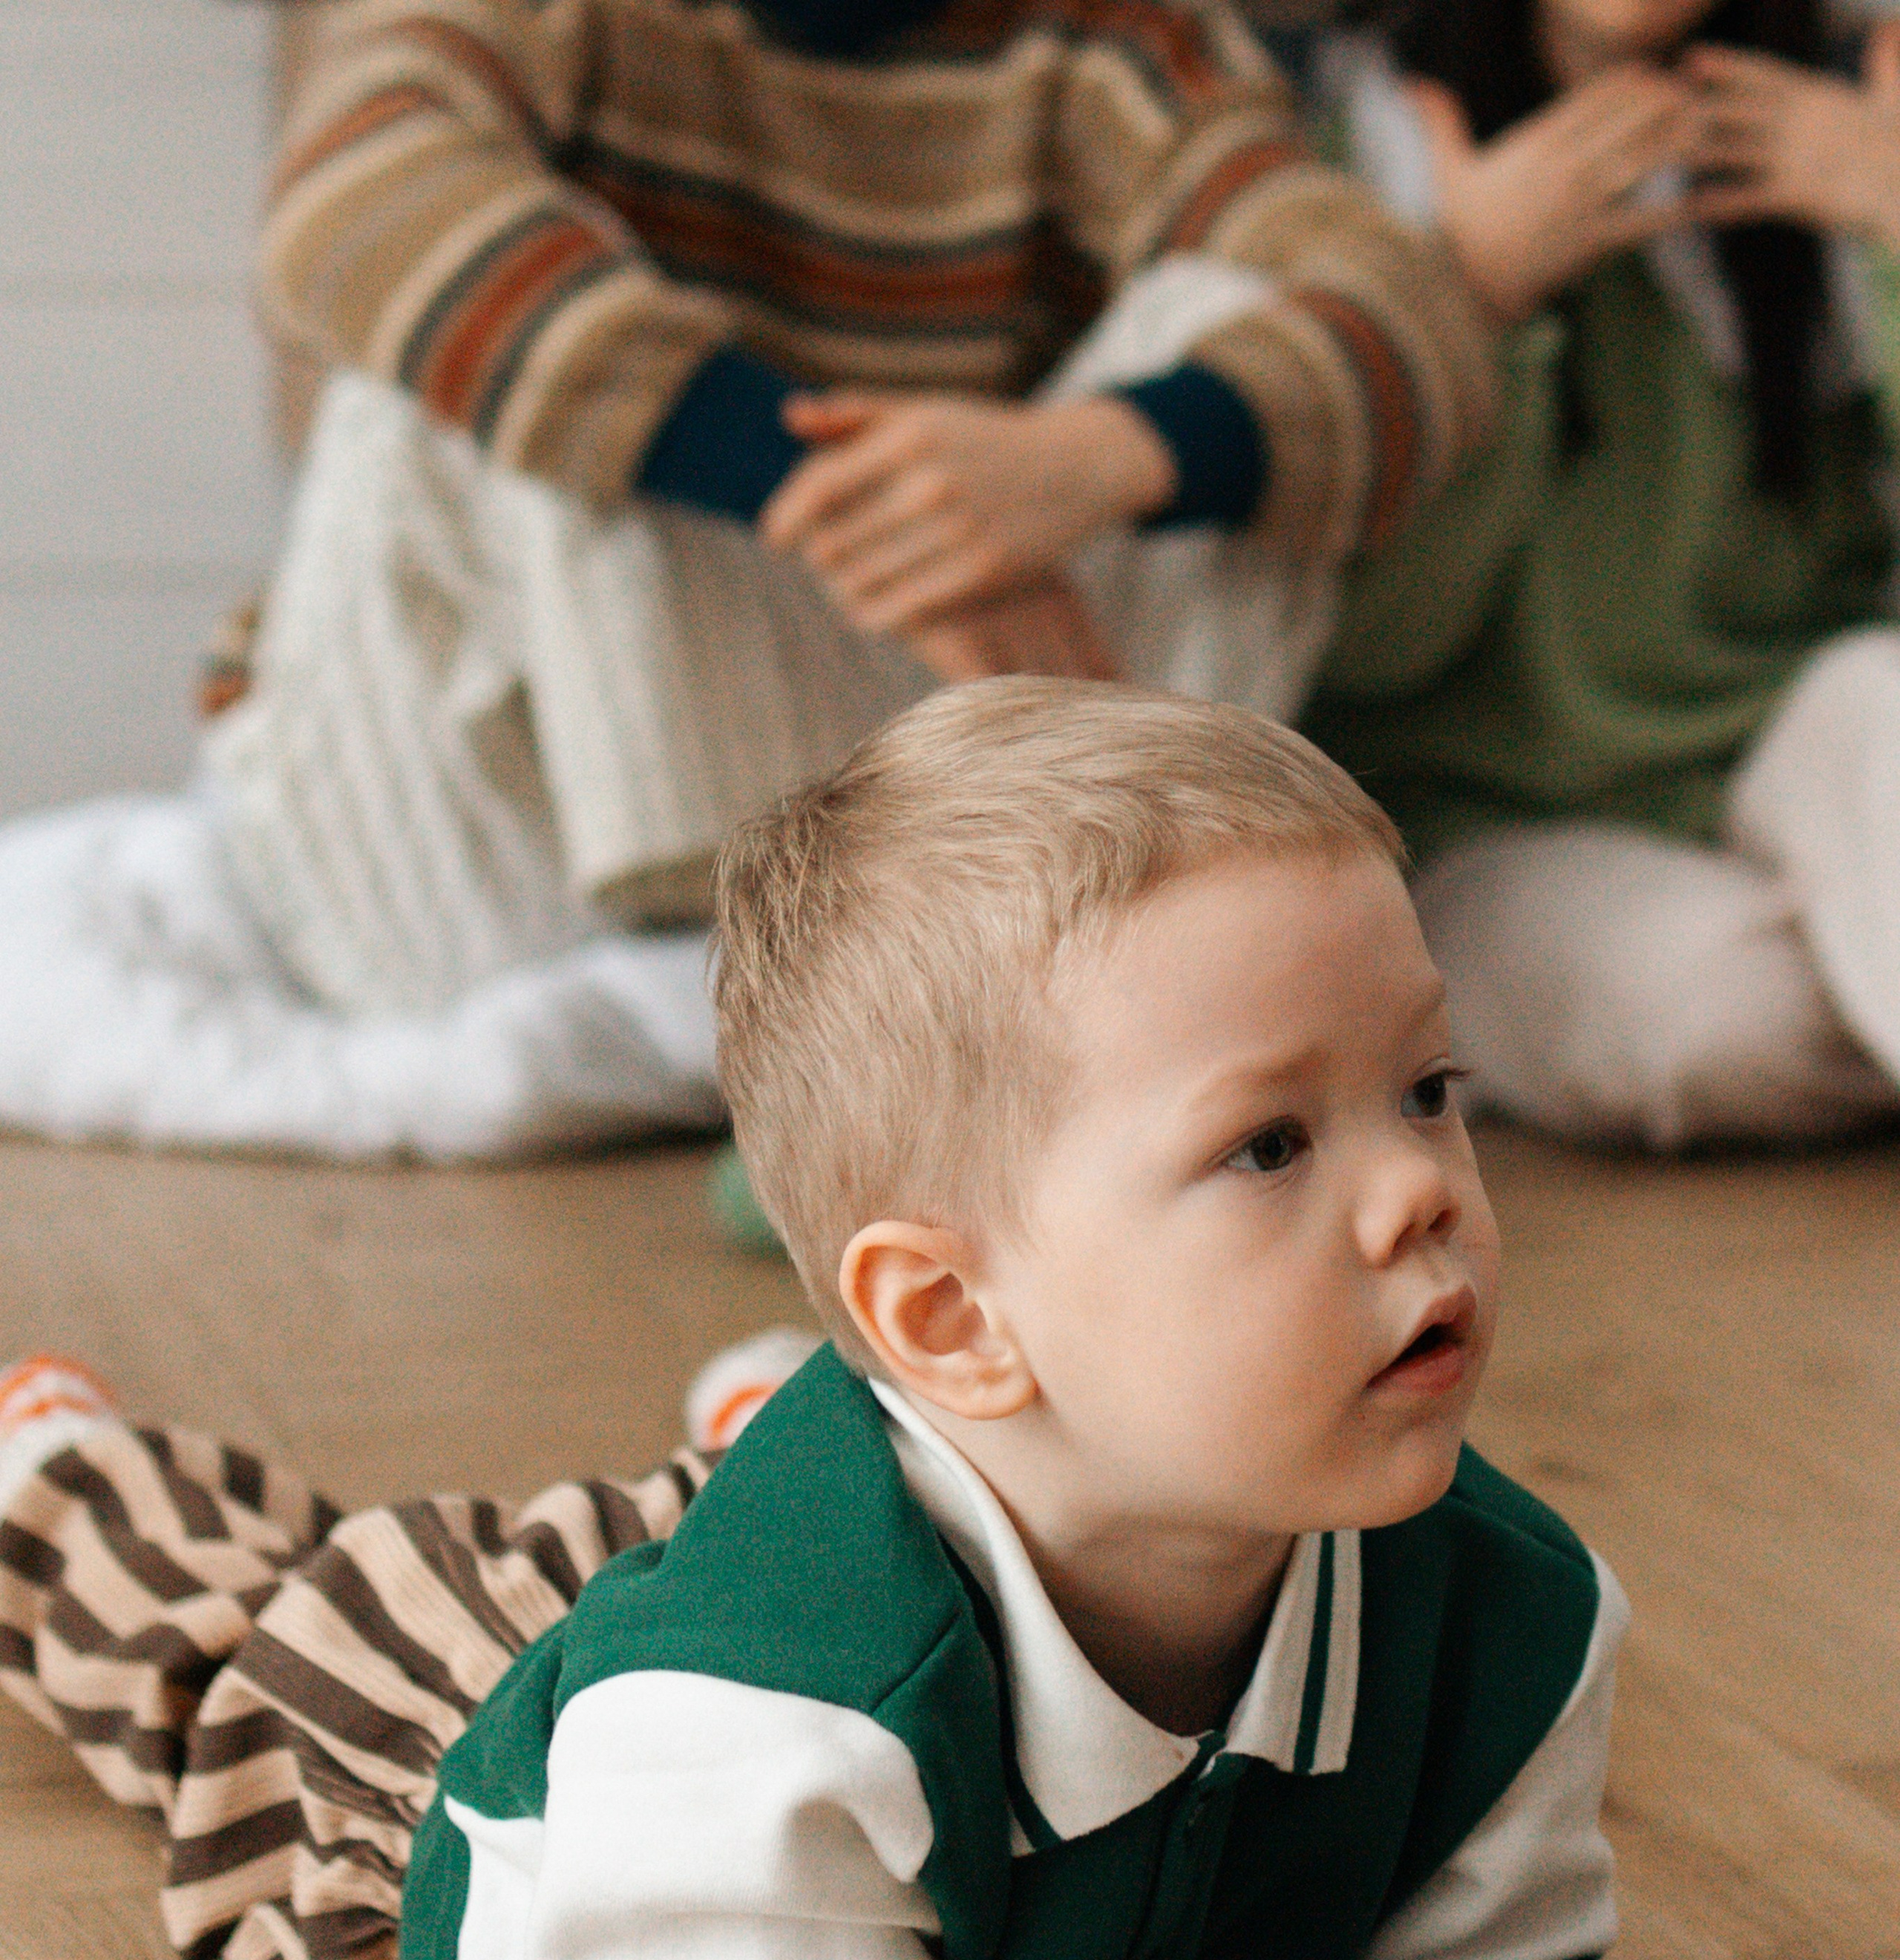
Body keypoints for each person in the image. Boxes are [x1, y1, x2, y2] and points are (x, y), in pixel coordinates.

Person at [0, 681, 1806, 1960]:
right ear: (952, 1316)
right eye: (1269, 1142)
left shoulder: (1496, 1613)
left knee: (787, 1617)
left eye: (1425, 1089)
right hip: (512, 1757)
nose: (1419, 1191)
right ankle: (59, 1480)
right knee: (267, 1654)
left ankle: (793, 1445)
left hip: (874, 1604)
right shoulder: (744, 1722)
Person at [0, 0, 1498, 1160]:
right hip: (478, 873)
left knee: (1238, 309)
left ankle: (839, 994)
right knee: (450, 317)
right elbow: (347, 199)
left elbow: (1414, 317)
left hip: (848, 770)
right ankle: (730, 1011)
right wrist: (837, 495)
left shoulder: (1107, 38)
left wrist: (1095, 458)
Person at [1299, 0, 1900, 1147]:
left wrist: (1895, 223)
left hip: (1781, 737)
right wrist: (1470, 308)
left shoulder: (1827, 115)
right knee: (1726, 1023)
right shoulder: (1354, 150)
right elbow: (1371, 647)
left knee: (1884, 703)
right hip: (1484, 829)